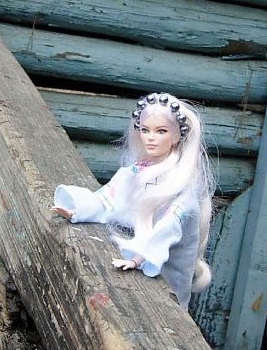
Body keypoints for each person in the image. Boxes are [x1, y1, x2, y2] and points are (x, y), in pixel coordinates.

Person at [52, 92, 214, 309]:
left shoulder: (180, 188)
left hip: (166, 274)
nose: (151, 137)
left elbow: (166, 230)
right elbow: (108, 198)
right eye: (145, 130)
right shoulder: (135, 171)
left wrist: (137, 259)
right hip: (138, 269)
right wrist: (77, 210)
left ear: (176, 136)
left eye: (161, 131)